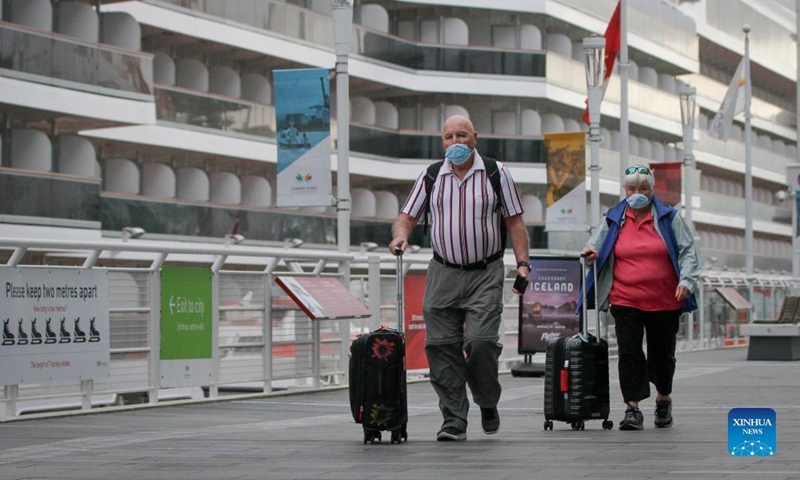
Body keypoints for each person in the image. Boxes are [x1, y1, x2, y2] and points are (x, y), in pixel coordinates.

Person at [389, 115, 530, 442]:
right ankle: (453, 419)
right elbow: (406, 217)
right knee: (440, 346)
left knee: (481, 343)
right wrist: (400, 236)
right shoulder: (431, 175)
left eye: (461, 135)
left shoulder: (496, 173)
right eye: (448, 136)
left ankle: (487, 400)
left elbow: (515, 223)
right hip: (443, 272)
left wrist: (523, 264)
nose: (455, 142)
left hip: (485, 272)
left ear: (474, 138)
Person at [581, 165, 700, 431]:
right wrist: (590, 253)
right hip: (625, 298)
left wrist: (687, 281)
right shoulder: (613, 218)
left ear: (652, 189)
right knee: (629, 353)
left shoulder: (669, 218)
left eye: (643, 188)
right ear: (625, 190)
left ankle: (663, 399)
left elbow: (688, 251)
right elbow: (594, 244)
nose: (637, 194)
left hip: (665, 300)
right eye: (632, 189)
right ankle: (632, 408)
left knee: (662, 355)